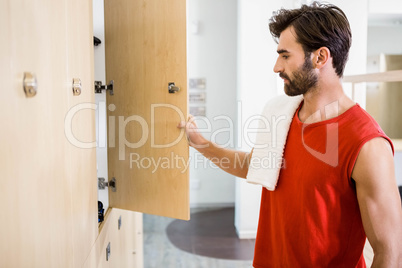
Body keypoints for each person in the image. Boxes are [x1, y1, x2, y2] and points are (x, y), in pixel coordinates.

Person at [178, 2, 402, 267]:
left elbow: (390, 252)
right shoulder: (282, 113)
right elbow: (257, 165)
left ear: (320, 58)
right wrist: (201, 144)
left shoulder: (367, 143)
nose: (276, 66)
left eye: (285, 56)